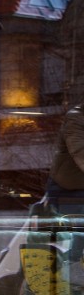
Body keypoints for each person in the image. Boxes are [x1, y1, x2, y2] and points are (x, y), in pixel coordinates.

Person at [47, 103, 84, 284]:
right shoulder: (76, 117)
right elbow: (79, 151)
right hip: (68, 191)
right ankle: (72, 283)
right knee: (80, 237)